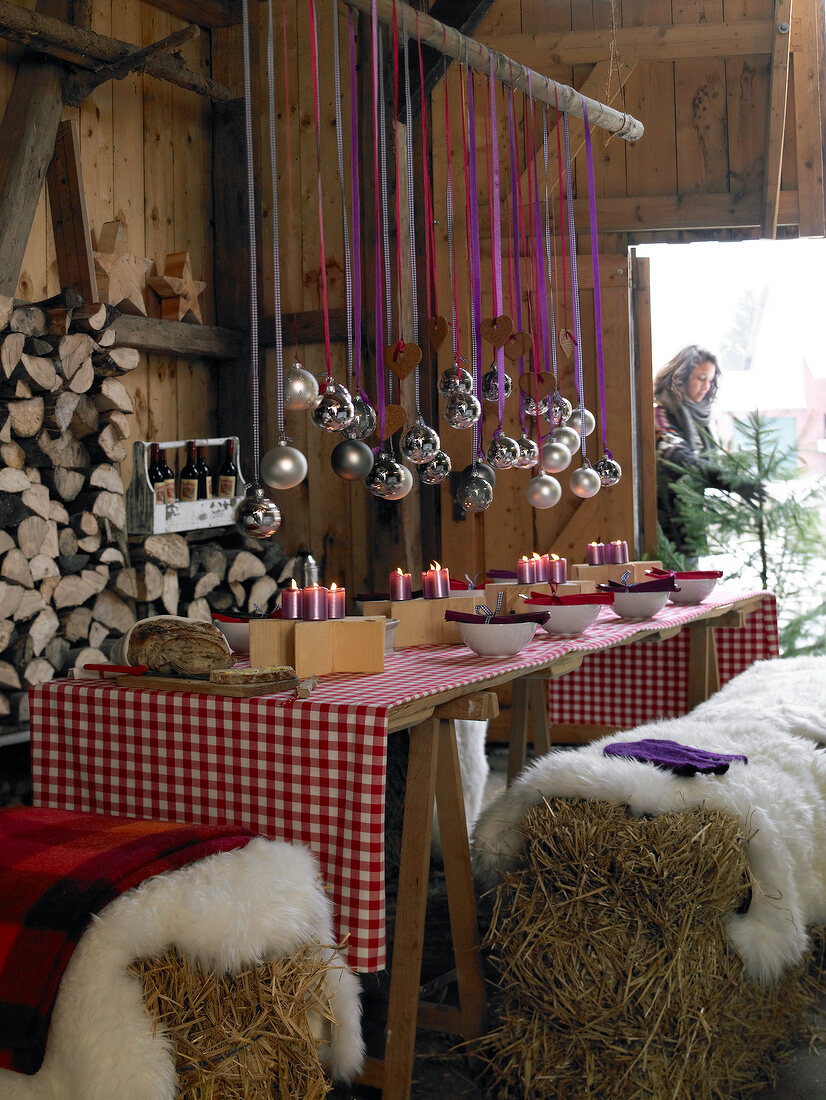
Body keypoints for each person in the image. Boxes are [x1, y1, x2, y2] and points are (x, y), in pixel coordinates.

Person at [653, 345, 729, 560]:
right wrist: (722, 478)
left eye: (710, 380)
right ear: (681, 378)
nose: (706, 386)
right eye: (701, 378)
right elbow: (676, 455)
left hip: (689, 525)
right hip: (666, 527)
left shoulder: (699, 421)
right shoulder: (660, 414)